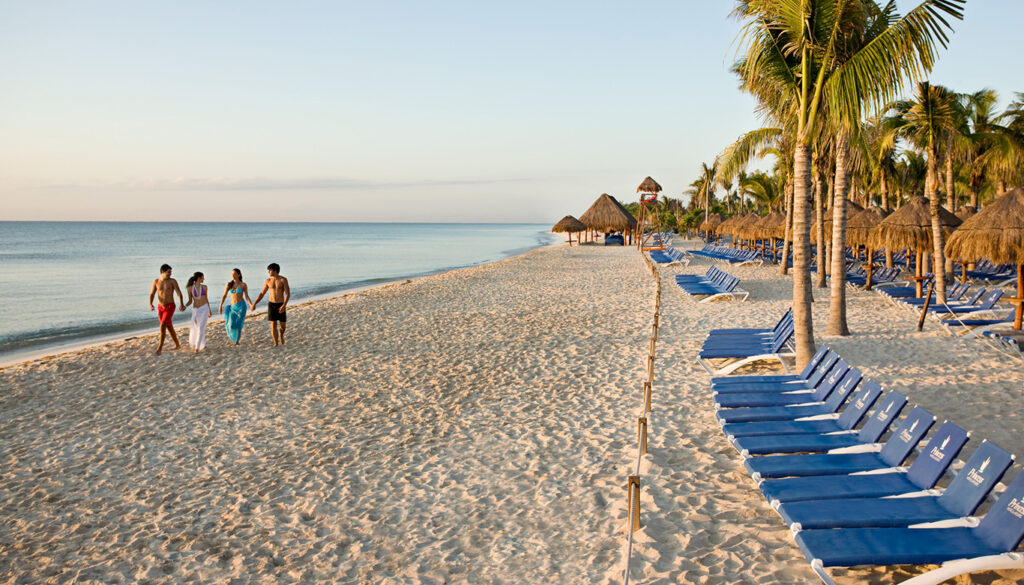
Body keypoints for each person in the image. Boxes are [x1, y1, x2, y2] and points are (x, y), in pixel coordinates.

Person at [148, 264, 186, 355]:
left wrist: (181, 304)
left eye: (171, 272)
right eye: (169, 272)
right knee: (169, 326)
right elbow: (152, 294)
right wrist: (150, 304)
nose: (170, 274)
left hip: (170, 306)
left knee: (162, 325)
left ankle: (159, 348)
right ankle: (177, 345)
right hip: (160, 307)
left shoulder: (172, 281)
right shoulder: (156, 281)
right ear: (162, 272)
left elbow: (179, 293)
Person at [251, 262, 291, 346]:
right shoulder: (268, 281)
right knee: (273, 324)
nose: (268, 272)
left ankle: (281, 334)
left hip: (281, 304)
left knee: (283, 326)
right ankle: (275, 343)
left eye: (269, 270)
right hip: (271, 304)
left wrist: (284, 305)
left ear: (275, 271)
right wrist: (254, 304)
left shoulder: (283, 280)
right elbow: (262, 293)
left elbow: (287, 293)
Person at [219, 268, 252, 345]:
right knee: (231, 324)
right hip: (233, 307)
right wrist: (220, 305)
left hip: (241, 306)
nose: (233, 275)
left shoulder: (243, 285)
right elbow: (224, 295)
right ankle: (234, 337)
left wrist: (251, 305)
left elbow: (246, 296)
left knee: (239, 324)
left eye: (234, 274)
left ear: (239, 274)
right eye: (232, 274)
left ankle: (237, 341)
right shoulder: (229, 284)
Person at [184, 271, 213, 352]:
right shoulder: (189, 288)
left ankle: (197, 347)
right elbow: (190, 300)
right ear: (199, 278)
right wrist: (185, 306)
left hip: (204, 308)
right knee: (197, 327)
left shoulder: (205, 287)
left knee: (201, 327)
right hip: (196, 310)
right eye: (203, 277)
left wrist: (209, 310)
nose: (204, 279)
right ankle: (203, 344)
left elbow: (207, 299)